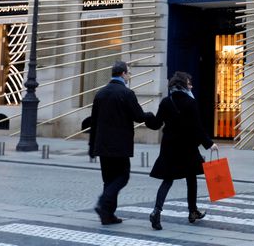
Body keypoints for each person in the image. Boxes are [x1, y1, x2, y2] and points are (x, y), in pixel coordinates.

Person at [88, 60, 154, 226]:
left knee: (109, 180)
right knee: (122, 176)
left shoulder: (100, 93)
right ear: (123, 74)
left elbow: (93, 122)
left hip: (102, 145)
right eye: (128, 73)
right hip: (120, 145)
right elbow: (138, 116)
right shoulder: (126, 93)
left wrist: (92, 146)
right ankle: (103, 204)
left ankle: (107, 215)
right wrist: (151, 116)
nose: (129, 75)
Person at [145, 71, 213, 231]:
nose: (192, 86)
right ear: (183, 85)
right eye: (189, 83)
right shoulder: (190, 102)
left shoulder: (166, 101)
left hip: (170, 146)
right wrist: (209, 144)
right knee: (191, 178)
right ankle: (192, 211)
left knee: (168, 180)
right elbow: (197, 127)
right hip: (187, 147)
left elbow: (156, 124)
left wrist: (146, 116)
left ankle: (157, 211)